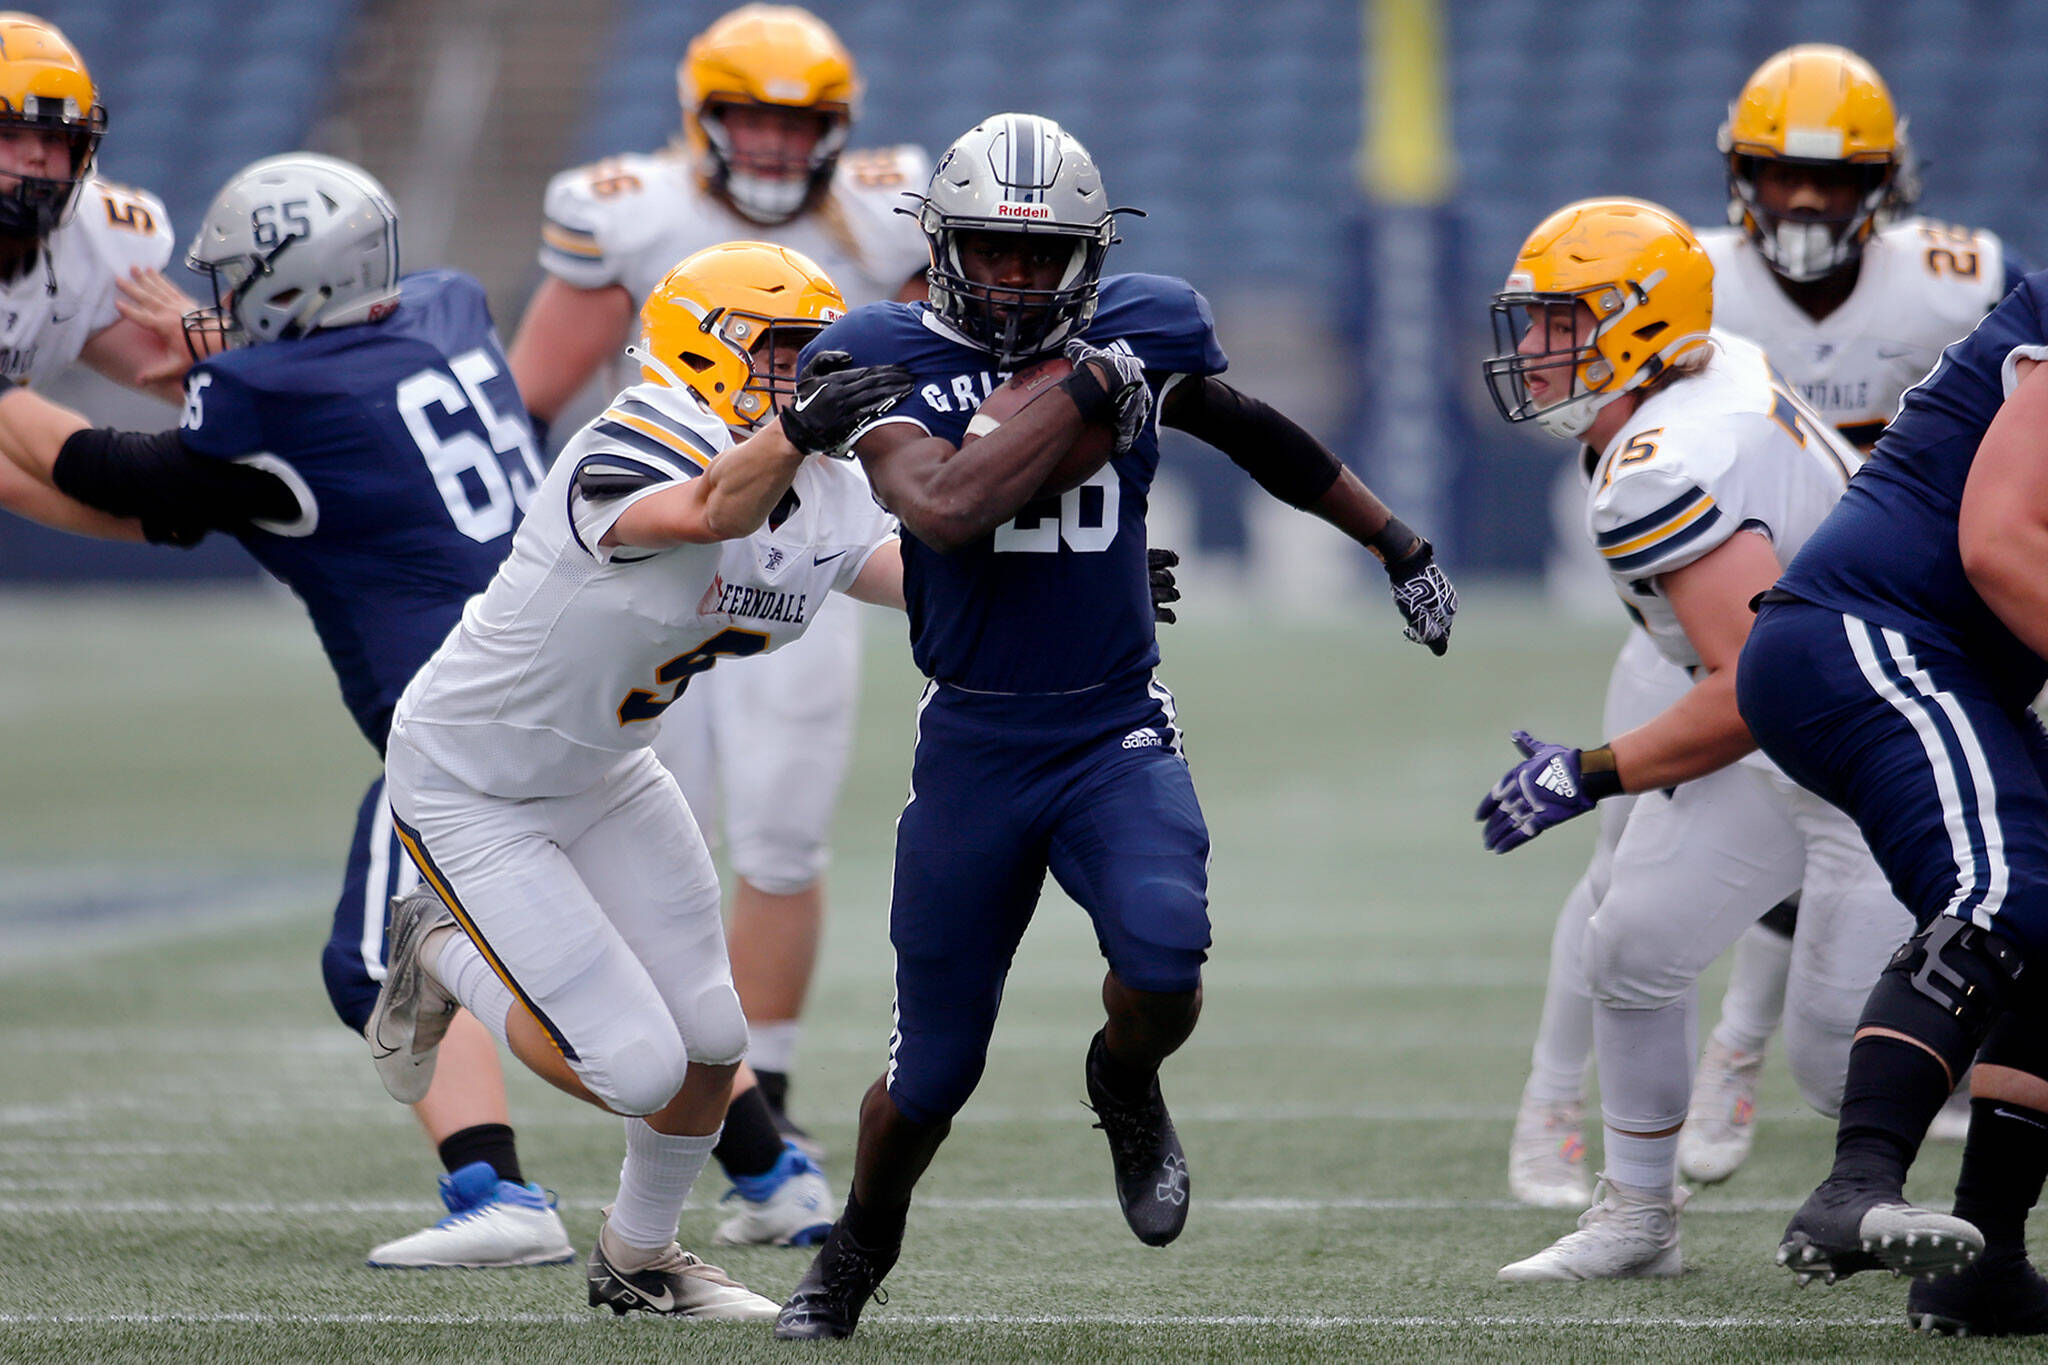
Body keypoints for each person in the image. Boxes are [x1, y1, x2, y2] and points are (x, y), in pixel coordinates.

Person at [769, 112, 1457, 1341]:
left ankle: (1122, 1079)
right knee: (928, 1077)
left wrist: (1394, 543)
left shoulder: (1146, 328)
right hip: (973, 739)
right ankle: (853, 1254)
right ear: (942, 245)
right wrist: (1085, 385)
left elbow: (1248, 429)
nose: (1018, 278)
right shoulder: (878, 354)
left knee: (1163, 952)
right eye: (993, 250)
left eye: (1043, 257)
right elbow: (936, 510)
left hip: (1109, 727)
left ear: (1090, 256)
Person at [0, 152, 594, 1269]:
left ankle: (537, 1162)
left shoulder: (276, 398)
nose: (209, 308)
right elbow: (199, 476)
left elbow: (112, 472)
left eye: (232, 288)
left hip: (462, 730)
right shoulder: (446, 306)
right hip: (578, 694)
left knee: (380, 963)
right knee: (638, 950)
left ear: (284, 288)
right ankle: (768, 1167)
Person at [1507, 42, 2026, 1209]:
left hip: (1873, 628)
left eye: (1831, 179)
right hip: (1703, 627)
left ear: (1883, 183)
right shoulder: (1684, 281)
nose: (1800, 200)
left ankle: (1748, 1039)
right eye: (1777, 174)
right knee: (1624, 885)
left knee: (1839, 842)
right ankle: (1553, 1104)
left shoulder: (1959, 278)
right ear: (1737, 176)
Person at [369, 241, 913, 1320]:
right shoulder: (630, 438)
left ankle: (636, 1257)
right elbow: (706, 512)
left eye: (815, 357)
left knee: (714, 1044)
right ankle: (435, 948)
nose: (802, 378)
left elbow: (922, 585)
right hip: (475, 778)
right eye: (780, 352)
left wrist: (1061, 589)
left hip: (610, 771)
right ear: (701, 351)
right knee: (634, 1069)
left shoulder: (828, 484)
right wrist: (797, 432)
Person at [507, 2, 931, 1156]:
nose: (776, 148)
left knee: (784, 833)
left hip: (809, 545)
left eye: (801, 125)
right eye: (749, 119)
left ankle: (767, 1093)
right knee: (665, 825)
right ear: (700, 118)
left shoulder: (891, 218)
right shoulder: (631, 211)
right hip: (662, 553)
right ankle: (693, 1080)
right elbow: (530, 393)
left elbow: (947, 377)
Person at [1474, 197, 1915, 1281]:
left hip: (1867, 745)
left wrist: (1587, 772)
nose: (1531, 350)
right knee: (1631, 942)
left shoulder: (1661, 467)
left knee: (1827, 1066)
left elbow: (1750, 692)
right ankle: (1636, 1218)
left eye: (1558, 323)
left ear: (1635, 324)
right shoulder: (1699, 372)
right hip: (1799, 721)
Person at [1736, 267, 2048, 1335]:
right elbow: (1998, 542)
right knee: (2000, 883)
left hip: (1931, 657)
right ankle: (1852, 1187)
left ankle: (1982, 1262)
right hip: (1873, 633)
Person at [0, 11, 193, 535]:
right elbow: (29, 471)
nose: (37, 157)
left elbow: (212, 374)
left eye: (57, 137)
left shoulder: (89, 238)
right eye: (10, 132)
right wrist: (172, 516)